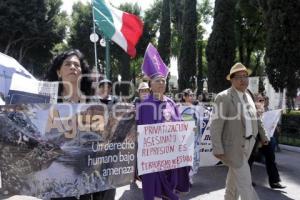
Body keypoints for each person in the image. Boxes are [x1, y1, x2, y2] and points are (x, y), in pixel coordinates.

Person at [136, 43, 190, 200]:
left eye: (163, 81)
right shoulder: (143, 106)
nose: (161, 83)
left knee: (170, 194)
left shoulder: (172, 103)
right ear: (150, 85)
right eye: (157, 81)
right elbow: (138, 133)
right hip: (151, 161)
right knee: (154, 194)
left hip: (170, 159)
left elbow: (180, 127)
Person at [210, 62, 269, 200]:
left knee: (234, 180)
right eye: (238, 77)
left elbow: (256, 117)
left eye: (245, 76)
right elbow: (216, 124)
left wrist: (263, 135)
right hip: (233, 147)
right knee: (245, 183)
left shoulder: (248, 95)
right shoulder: (223, 97)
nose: (243, 80)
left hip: (249, 144)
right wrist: (217, 147)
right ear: (231, 79)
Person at [45, 49, 93, 200]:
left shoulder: (93, 103)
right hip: (57, 177)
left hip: (87, 176)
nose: (73, 67)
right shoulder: (46, 103)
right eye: (67, 64)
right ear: (59, 72)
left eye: (76, 65)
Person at [248, 94, 286, 189]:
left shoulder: (267, 110)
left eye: (263, 100)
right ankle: (247, 181)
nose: (262, 101)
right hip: (255, 138)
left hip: (266, 137)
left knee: (271, 158)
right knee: (250, 160)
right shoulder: (250, 110)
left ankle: (274, 182)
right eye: (259, 100)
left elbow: (269, 123)